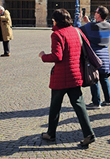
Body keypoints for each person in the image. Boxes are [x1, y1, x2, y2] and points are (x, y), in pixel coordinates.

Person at [38, 8, 96, 148]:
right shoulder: (77, 31)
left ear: (56, 20)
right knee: (79, 105)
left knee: (55, 107)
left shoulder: (57, 34)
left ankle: (51, 134)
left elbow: (57, 56)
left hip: (61, 77)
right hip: (75, 74)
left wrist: (43, 56)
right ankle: (88, 133)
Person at [80, 6, 110, 110]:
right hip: (105, 56)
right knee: (104, 78)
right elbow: (97, 28)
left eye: (96, 12)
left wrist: (80, 19)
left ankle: (96, 102)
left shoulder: (90, 26)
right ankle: (108, 100)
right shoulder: (108, 25)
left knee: (94, 79)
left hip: (95, 56)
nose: (95, 13)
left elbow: (78, 30)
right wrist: (89, 22)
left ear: (99, 14)